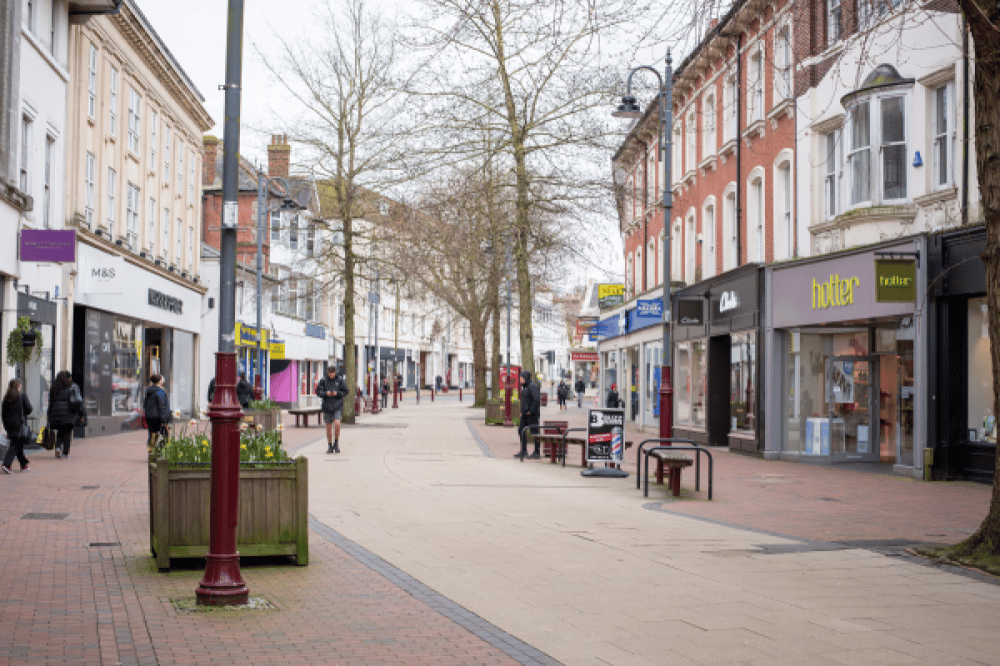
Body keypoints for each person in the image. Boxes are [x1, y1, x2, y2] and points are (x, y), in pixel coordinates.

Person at [48, 370, 83, 460]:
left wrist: (49, 414)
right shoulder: (73, 386)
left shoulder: (54, 387)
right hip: (69, 414)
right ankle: (65, 453)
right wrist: (81, 414)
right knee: (67, 432)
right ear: (69, 377)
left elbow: (50, 402)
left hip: (56, 413)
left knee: (60, 431)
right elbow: (78, 401)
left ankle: (58, 447)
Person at [2, 379, 32, 473]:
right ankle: (6, 464)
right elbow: (29, 409)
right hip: (19, 424)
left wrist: (6, 425)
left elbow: (3, 414)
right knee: (15, 444)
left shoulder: (6, 398)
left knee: (18, 444)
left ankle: (23, 465)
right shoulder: (22, 396)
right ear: (18, 386)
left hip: (9, 425)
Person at [317, 365, 348, 454]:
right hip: (327, 406)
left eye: (332, 374)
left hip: (337, 405)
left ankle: (336, 443)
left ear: (335, 372)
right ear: (328, 373)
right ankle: (330, 445)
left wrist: (337, 393)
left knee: (337, 423)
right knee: (328, 426)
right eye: (329, 374)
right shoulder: (323, 380)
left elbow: (345, 391)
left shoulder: (340, 380)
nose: (331, 376)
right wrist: (325, 393)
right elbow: (318, 392)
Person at [515, 370, 541, 459]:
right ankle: (524, 450)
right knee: (521, 430)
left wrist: (531, 410)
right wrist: (522, 411)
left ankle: (537, 452)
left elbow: (536, 400)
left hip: (532, 414)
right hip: (525, 414)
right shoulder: (525, 387)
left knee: (534, 432)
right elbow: (525, 401)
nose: (520, 380)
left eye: (521, 378)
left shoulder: (532, 386)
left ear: (525, 378)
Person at [143, 374, 172, 446]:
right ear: (159, 381)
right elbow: (162, 407)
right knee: (163, 435)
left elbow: (145, 404)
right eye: (162, 379)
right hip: (158, 417)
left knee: (152, 434)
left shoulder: (149, 391)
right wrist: (165, 420)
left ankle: (151, 451)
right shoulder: (160, 391)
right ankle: (161, 452)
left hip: (149, 417)